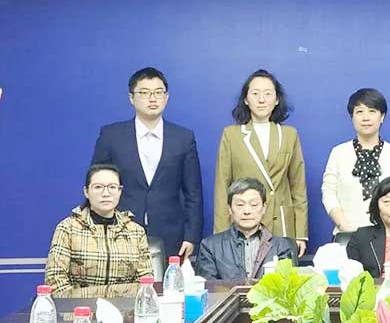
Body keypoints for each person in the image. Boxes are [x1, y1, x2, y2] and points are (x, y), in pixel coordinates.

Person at [91, 67, 203, 260]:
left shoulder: (183, 138)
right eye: (144, 93)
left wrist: (191, 236)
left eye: (158, 92)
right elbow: (97, 186)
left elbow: (193, 193)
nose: (153, 99)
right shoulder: (111, 136)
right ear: (131, 98)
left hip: (171, 234)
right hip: (119, 230)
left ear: (166, 97)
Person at [214, 69, 309, 257]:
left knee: (282, 274)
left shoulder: (289, 134)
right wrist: (221, 235)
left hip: (281, 224)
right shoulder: (232, 135)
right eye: (255, 93)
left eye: (268, 94)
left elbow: (298, 187)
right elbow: (222, 187)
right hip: (244, 221)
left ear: (277, 99)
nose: (261, 100)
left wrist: (300, 233)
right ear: (246, 99)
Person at [45, 163, 152, 294]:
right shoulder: (68, 228)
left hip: (126, 306)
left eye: (112, 187)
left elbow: (145, 282)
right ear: (86, 191)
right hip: (78, 306)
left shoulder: (136, 232)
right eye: (98, 187)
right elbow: (55, 281)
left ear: (120, 191)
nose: (106, 193)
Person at [321, 88, 390, 240]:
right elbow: (328, 193)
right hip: (347, 234)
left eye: (372, 111)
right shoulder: (339, 153)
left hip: (388, 236)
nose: (366, 118)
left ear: (382, 117)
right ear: (352, 117)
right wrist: (345, 227)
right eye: (360, 112)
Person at [197, 178, 295, 281]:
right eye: (240, 205)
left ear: (264, 208)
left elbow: (286, 286)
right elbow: (208, 288)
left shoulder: (282, 247)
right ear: (230, 209)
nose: (247, 211)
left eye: (254, 205)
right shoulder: (211, 246)